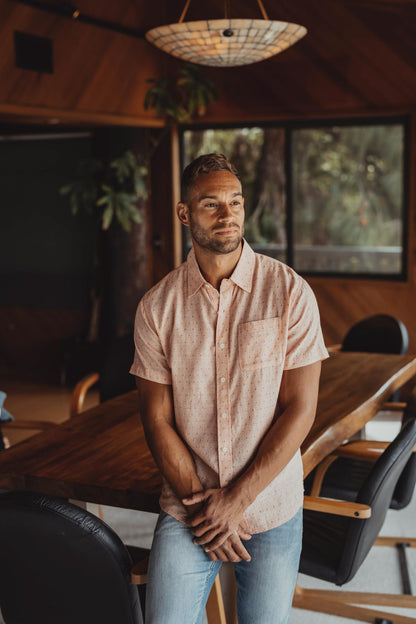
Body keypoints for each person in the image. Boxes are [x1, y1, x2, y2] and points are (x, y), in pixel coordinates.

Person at [130, 153, 328, 624]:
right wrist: (208, 512)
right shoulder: (156, 308)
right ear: (184, 214)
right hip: (190, 507)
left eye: (235, 202)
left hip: (271, 505)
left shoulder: (290, 292)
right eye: (211, 204)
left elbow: (301, 409)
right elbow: (155, 418)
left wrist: (236, 502)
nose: (227, 215)